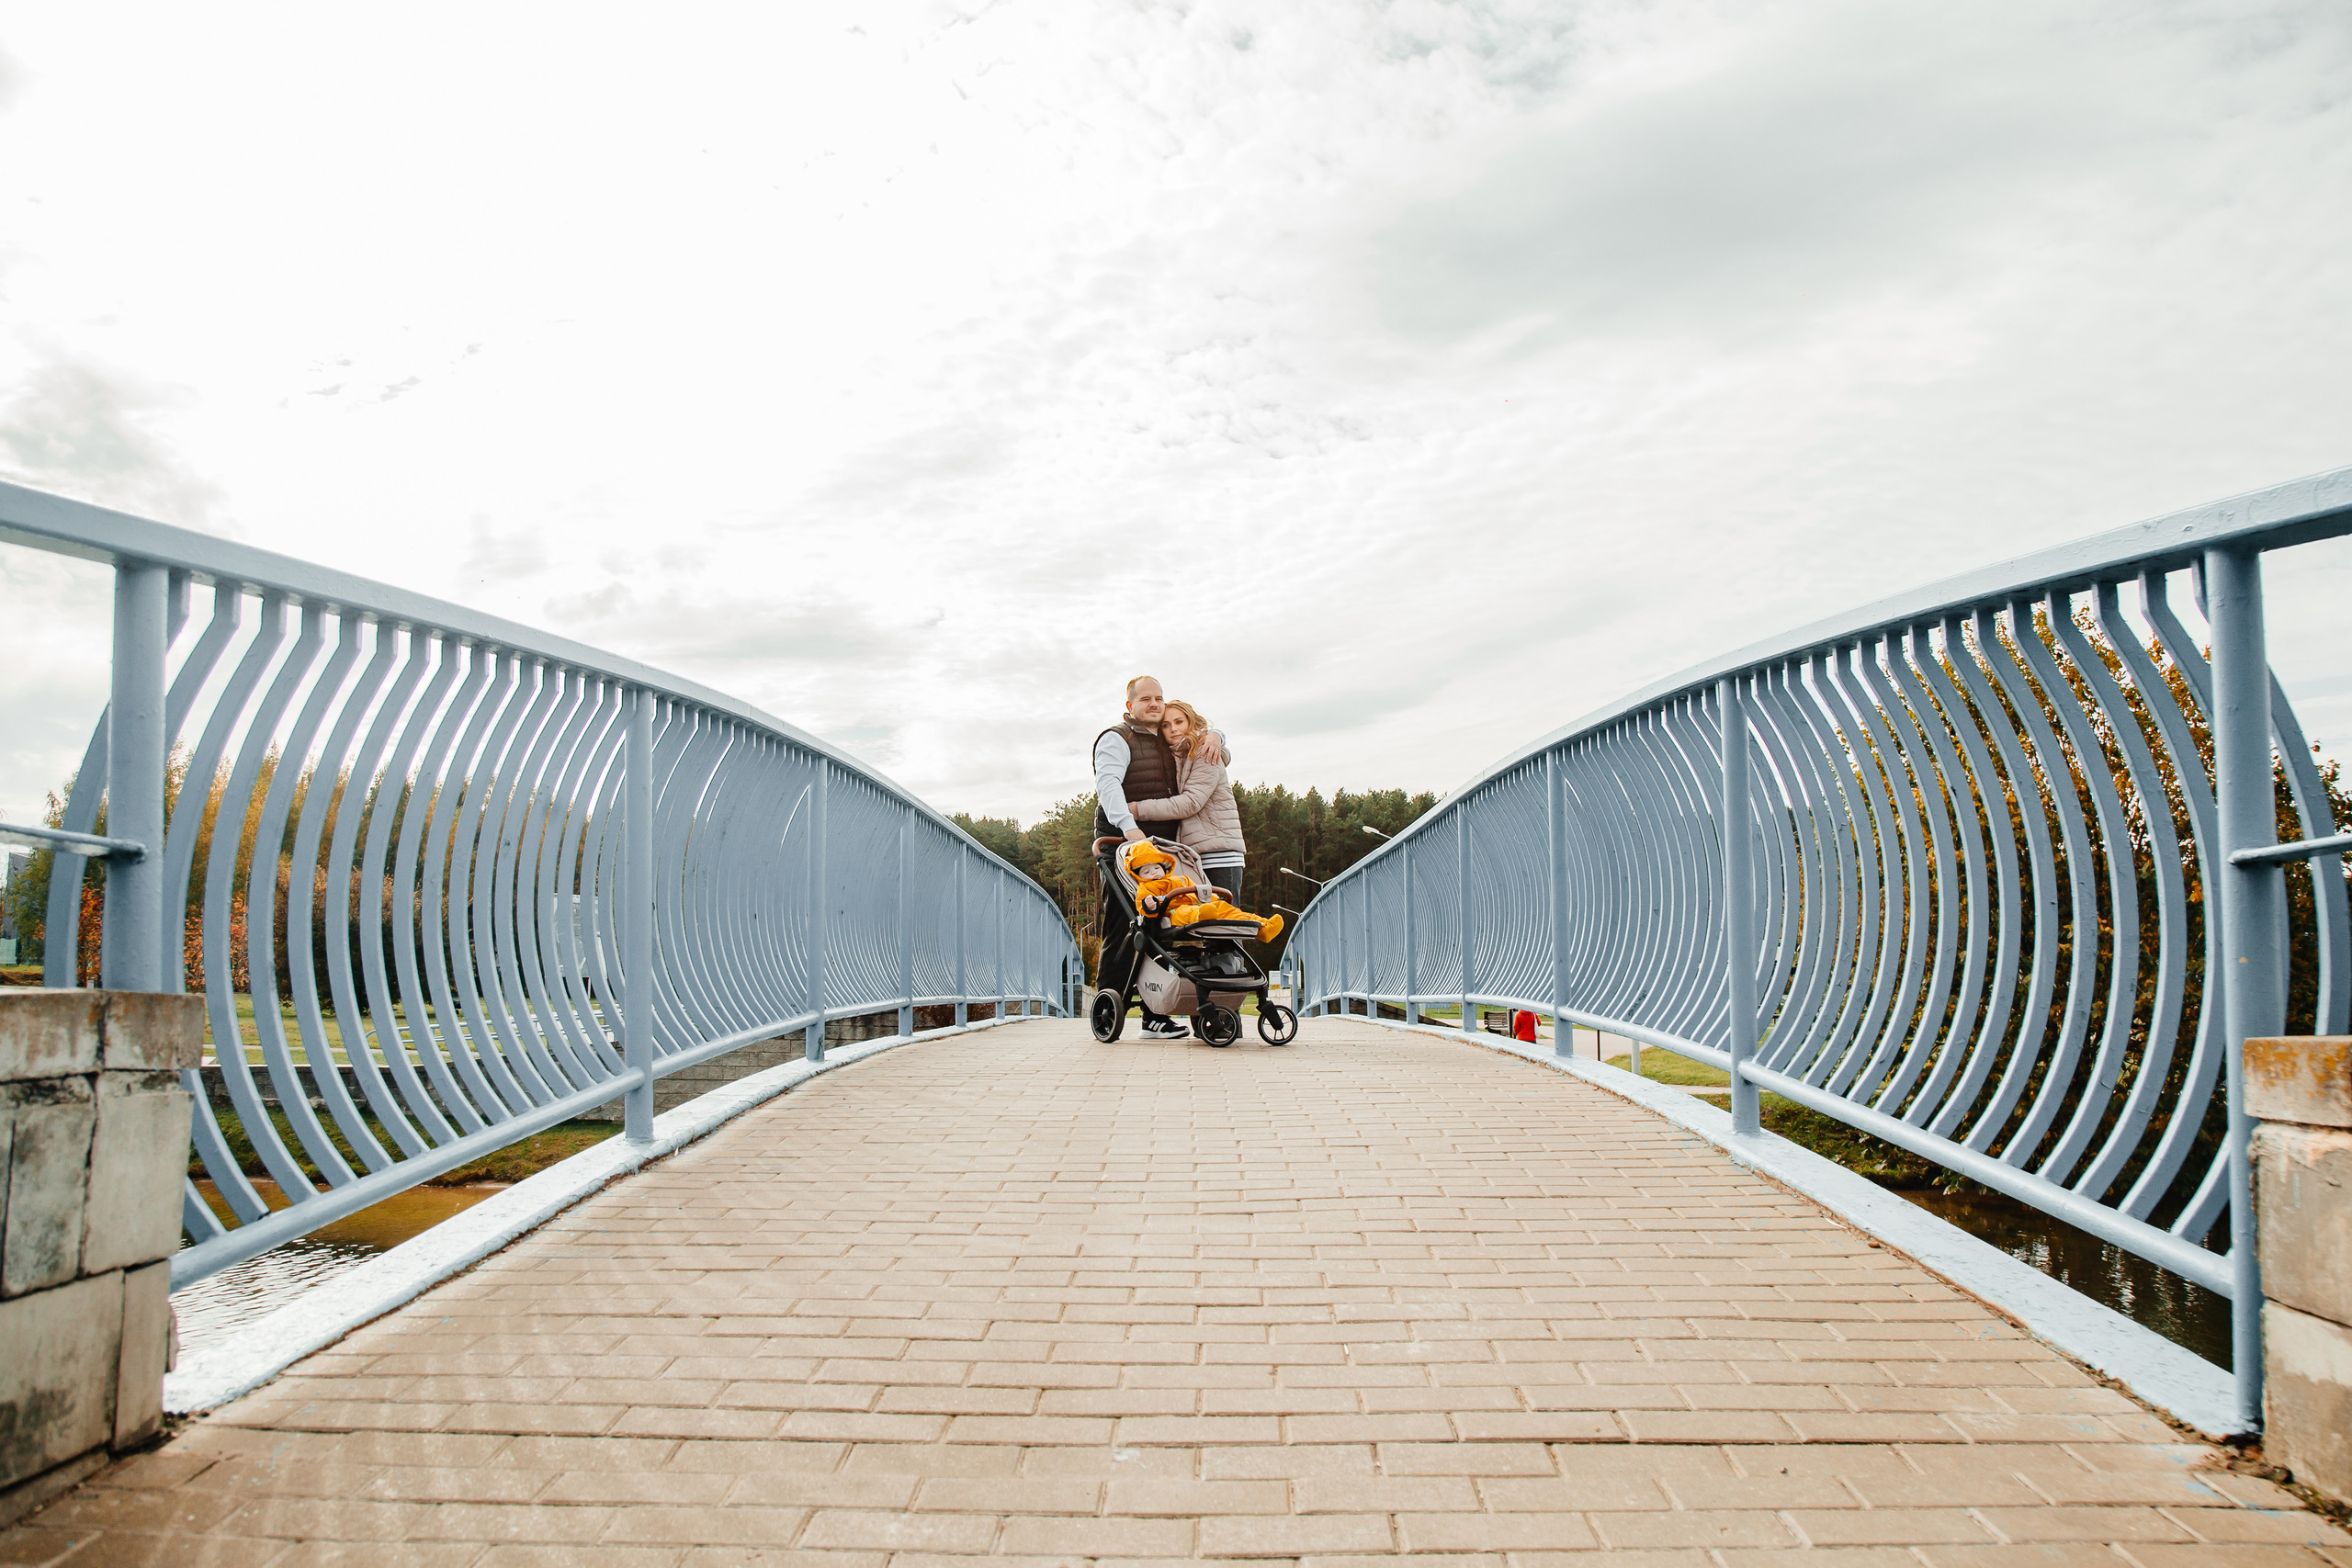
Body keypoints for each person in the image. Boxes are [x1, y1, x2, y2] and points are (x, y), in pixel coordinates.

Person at [1092, 676, 1227, 1038]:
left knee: (1160, 927)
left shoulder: (1165, 741)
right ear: (1130, 706)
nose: (1154, 704)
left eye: (1159, 698)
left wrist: (1217, 735)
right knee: (1125, 925)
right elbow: (1108, 787)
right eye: (1146, 699)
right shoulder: (1116, 739)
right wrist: (1128, 828)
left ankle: (1154, 1013)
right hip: (1126, 843)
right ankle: (1108, 1005)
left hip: (1165, 850)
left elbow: (1203, 741)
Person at [1123, 699, 1248, 912]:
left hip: (1219, 852)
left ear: (1191, 723)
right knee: (1205, 923)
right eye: (1166, 725)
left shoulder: (1205, 754)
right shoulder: (1179, 757)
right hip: (1197, 853)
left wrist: (1137, 809)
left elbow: (1190, 803)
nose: (1173, 729)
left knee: (1226, 921)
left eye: (1179, 722)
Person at [1120, 841, 1283, 942]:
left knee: (1228, 909)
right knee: (1187, 912)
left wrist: (1214, 899)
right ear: (1138, 875)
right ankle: (1202, 916)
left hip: (1202, 904)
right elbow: (1143, 907)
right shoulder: (1146, 888)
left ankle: (1263, 926)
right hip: (1174, 912)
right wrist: (1150, 906)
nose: (1153, 873)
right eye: (1146, 872)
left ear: (1164, 868)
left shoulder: (1182, 879)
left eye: (1156, 868)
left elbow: (1200, 892)